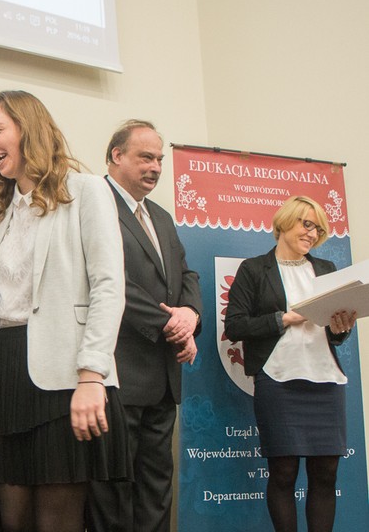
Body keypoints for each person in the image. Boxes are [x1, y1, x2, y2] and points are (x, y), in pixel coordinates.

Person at [0, 90, 130, 532]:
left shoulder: (86, 190)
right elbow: (7, 293)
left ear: (29, 128)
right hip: (6, 371)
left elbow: (108, 285)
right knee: (13, 520)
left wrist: (91, 376)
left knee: (55, 522)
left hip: (64, 376)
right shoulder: (5, 212)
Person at [87, 119, 202, 532]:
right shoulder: (92, 204)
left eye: (159, 159)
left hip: (163, 376)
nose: (155, 167)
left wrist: (190, 316)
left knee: (157, 488)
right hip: (117, 372)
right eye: (145, 157)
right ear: (116, 156)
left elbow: (187, 275)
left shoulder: (162, 217)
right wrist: (171, 323)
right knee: (114, 492)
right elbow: (109, 280)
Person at [224, 196, 354, 532]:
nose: (313, 233)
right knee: (283, 473)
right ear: (285, 222)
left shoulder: (326, 269)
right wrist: (284, 318)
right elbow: (235, 326)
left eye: (319, 229)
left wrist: (341, 329)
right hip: (278, 381)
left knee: (326, 473)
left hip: (326, 380)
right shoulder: (254, 269)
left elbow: (333, 334)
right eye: (306, 224)